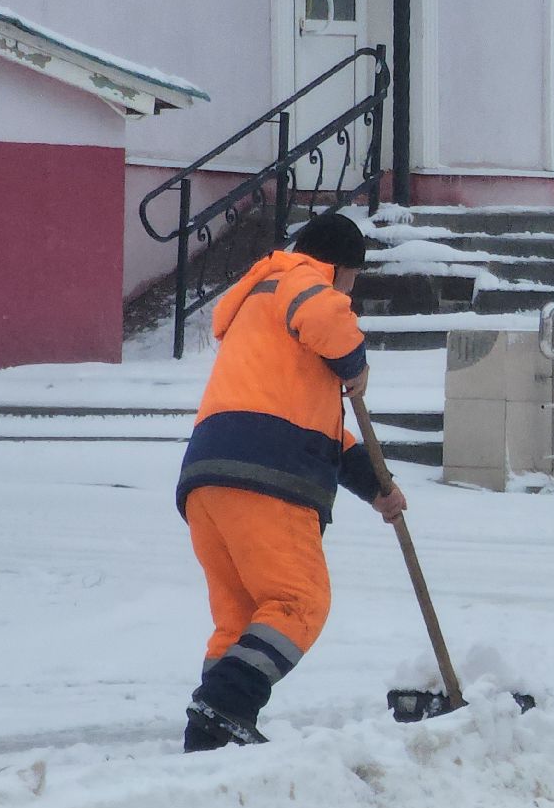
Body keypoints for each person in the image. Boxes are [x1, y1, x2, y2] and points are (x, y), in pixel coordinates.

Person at [175, 211, 408, 750]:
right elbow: (327, 314)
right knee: (300, 601)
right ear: (342, 268)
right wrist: (355, 362)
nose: (350, 290)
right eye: (353, 279)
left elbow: (325, 436)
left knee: (240, 619)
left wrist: (380, 489)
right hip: (267, 476)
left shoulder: (261, 316)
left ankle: (209, 736)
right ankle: (226, 706)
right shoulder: (301, 278)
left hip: (209, 477)